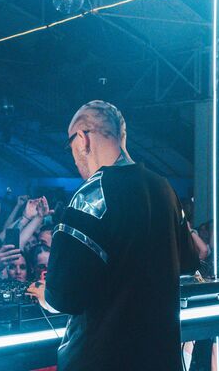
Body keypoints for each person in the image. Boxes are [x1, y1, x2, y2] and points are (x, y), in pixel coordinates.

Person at [28, 100, 200, 371]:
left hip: (102, 359)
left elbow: (64, 297)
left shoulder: (91, 195)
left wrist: (44, 295)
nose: (73, 157)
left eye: (71, 146)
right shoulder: (164, 188)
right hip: (160, 358)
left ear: (83, 139)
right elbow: (189, 262)